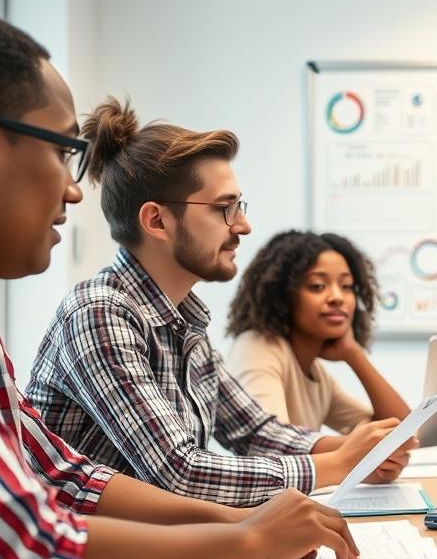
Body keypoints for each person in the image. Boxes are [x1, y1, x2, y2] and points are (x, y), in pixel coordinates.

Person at [0, 5, 359, 559]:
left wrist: (249, 522)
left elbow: (67, 476)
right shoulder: (98, 312)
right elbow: (48, 543)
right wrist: (252, 532)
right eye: (64, 152)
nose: (73, 189)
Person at [26, 98, 413, 507]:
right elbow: (179, 471)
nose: (243, 225)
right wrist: (337, 464)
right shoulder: (98, 314)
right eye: (223, 208)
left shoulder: (182, 321)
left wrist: (353, 449)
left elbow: (252, 431)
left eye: (238, 206)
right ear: (156, 220)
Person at [226, 230, 408, 432]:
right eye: (318, 286)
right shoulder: (257, 347)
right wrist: (368, 444)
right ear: (283, 296)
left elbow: (404, 430)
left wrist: (354, 355)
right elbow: (274, 444)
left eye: (346, 286)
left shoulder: (316, 374)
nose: (337, 297)